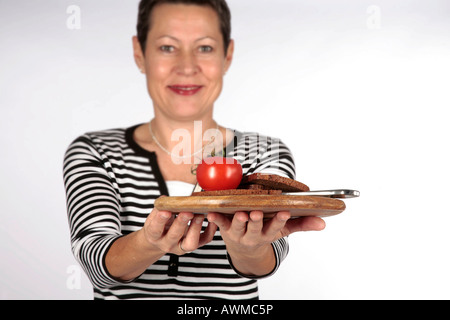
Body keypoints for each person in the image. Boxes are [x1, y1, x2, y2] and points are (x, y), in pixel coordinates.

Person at [63, 0, 325, 300]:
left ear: (227, 56)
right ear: (140, 53)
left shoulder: (265, 152)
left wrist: (247, 246)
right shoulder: (95, 150)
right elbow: (94, 261)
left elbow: (267, 259)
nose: (187, 67)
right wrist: (150, 242)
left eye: (204, 48)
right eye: (167, 47)